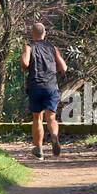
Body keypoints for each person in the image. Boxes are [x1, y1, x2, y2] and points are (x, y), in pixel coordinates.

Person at [22, 22, 67, 159]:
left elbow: (25, 63)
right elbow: (64, 67)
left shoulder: (29, 47)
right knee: (51, 117)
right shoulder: (52, 48)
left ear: (32, 33)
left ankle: (39, 149)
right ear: (44, 33)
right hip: (51, 86)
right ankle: (54, 136)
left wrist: (25, 67)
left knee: (37, 118)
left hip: (35, 85)